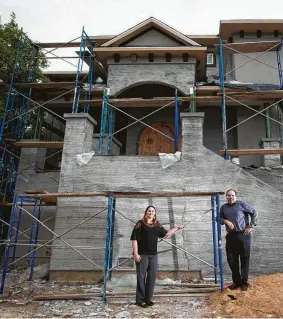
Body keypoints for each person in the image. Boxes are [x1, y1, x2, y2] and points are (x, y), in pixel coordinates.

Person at [130, 205, 183, 307]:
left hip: (153, 256)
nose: (151, 212)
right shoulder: (140, 224)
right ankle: (140, 300)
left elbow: (166, 234)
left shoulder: (156, 225)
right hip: (142, 255)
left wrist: (176, 228)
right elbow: (134, 239)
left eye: (152, 211)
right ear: (146, 213)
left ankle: (148, 299)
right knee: (141, 277)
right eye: (149, 211)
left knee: (152, 277)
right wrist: (135, 253)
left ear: (155, 213)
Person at [220, 189, 258, 291]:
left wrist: (250, 226)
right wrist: (225, 221)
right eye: (228, 195)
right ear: (226, 197)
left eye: (232, 195)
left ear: (236, 196)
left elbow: (254, 212)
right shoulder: (223, 207)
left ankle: (244, 283)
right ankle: (237, 282)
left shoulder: (241, 204)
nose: (230, 197)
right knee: (232, 260)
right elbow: (218, 218)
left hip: (243, 235)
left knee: (244, 260)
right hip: (231, 236)